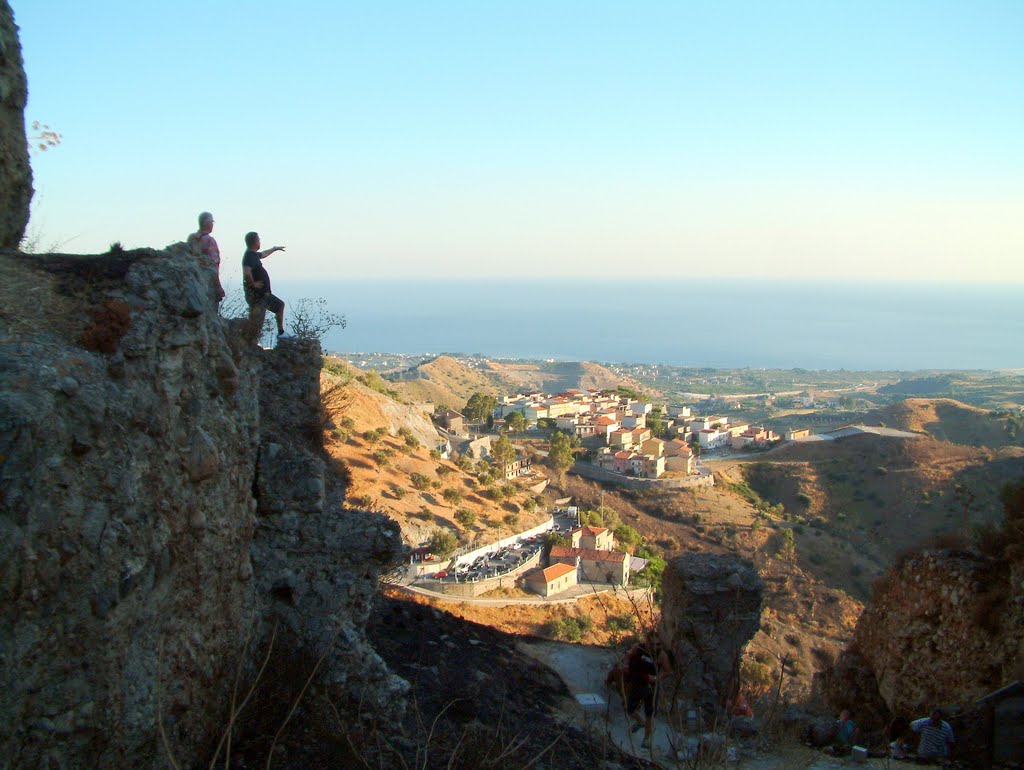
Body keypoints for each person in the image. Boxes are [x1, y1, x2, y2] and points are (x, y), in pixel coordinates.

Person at [624, 629, 673, 750]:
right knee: (629, 709)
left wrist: (656, 678)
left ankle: (647, 739)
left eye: (658, 644)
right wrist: (625, 666)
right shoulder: (639, 648)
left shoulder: (662, 655)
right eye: (652, 644)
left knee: (649, 714)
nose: (655, 647)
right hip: (636, 682)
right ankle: (639, 722)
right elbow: (628, 656)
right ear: (647, 642)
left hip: (650, 687)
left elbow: (668, 671)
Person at [241, 231, 293, 340]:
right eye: (259, 239)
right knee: (257, 322)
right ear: (255, 241)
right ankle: (250, 343)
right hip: (258, 296)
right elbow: (246, 272)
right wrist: (253, 284)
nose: (260, 242)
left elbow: (263, 254)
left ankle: (281, 332)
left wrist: (274, 249)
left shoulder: (253, 255)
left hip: (263, 295)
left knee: (279, 306)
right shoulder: (249, 256)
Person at [186, 211, 225, 301]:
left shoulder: (192, 238)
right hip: (208, 284)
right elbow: (213, 265)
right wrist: (218, 286)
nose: (212, 225)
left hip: (193, 282)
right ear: (207, 223)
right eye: (212, 222)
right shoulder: (210, 241)